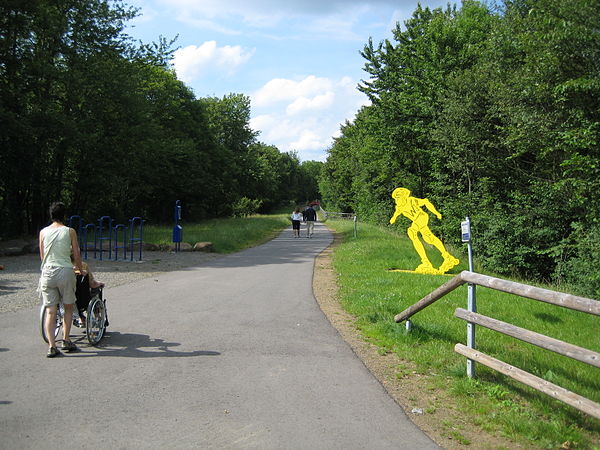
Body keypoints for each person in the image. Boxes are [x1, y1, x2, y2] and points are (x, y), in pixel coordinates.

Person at [39, 202, 84, 357]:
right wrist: (80, 269)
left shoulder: (43, 232)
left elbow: (42, 256)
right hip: (65, 271)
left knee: (51, 311)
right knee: (68, 307)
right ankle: (65, 339)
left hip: (47, 272)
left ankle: (52, 346)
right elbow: (76, 254)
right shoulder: (70, 231)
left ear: (51, 215)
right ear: (64, 216)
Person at [389, 187, 459, 274]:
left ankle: (426, 261)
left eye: (398, 198)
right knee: (429, 239)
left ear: (404, 196)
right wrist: (393, 218)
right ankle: (447, 257)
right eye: (396, 198)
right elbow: (397, 213)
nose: (397, 200)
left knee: (411, 231)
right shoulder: (399, 207)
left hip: (421, 217)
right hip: (417, 220)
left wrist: (436, 213)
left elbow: (426, 202)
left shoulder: (411, 200)